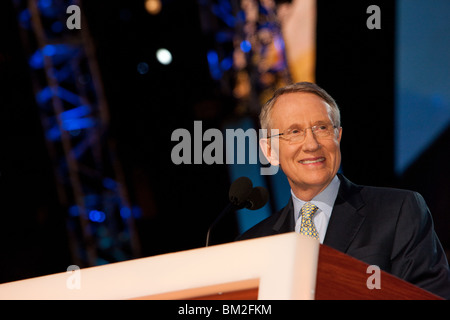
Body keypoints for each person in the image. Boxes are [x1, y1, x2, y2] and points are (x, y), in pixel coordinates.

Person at [237, 82, 450, 299]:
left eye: (322, 128)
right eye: (295, 131)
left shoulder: (399, 211)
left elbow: (429, 295)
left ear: (338, 136)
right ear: (269, 151)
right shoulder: (253, 245)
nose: (311, 144)